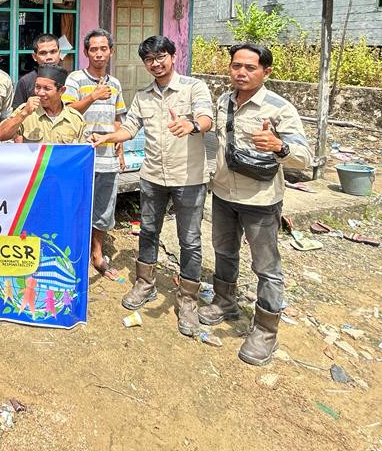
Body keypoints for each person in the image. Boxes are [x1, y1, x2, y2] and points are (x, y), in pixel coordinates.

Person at [197, 43, 313, 366]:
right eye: (236, 66)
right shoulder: (223, 102)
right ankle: (224, 301)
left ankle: (265, 329)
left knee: (266, 266)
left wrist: (279, 146)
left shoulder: (279, 108)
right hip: (223, 193)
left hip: (261, 200)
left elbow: (305, 158)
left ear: (266, 71)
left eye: (250, 67)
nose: (241, 73)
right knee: (223, 250)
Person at [90, 35, 214, 336]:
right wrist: (106, 137)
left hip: (189, 177)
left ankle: (187, 299)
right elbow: (130, 127)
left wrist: (191, 125)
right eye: (149, 59)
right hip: (152, 176)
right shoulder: (143, 96)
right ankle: (145, 283)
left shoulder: (193, 87)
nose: (156, 63)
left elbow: (206, 117)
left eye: (161, 57)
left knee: (190, 240)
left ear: (173, 56)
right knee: (147, 230)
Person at [63, 29, 126, 280]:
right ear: (86, 52)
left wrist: (120, 148)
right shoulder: (75, 79)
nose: (99, 53)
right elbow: (68, 111)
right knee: (76, 205)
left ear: (111, 51)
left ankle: (97, 254)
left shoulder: (116, 83)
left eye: (103, 48)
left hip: (107, 156)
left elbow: (118, 118)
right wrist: (93, 96)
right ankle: (73, 252)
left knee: (103, 208)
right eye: (93, 49)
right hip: (81, 156)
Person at [0, 65, 85, 144]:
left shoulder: (75, 119)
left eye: (47, 88)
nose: (40, 93)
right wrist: (24, 113)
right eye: (37, 87)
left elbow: (83, 153)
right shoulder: (25, 111)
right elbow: (1, 135)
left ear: (61, 91)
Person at [12, 34, 62, 109]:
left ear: (59, 53)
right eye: (43, 53)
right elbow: (16, 115)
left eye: (53, 52)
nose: (49, 57)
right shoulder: (25, 82)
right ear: (34, 56)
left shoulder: (69, 79)